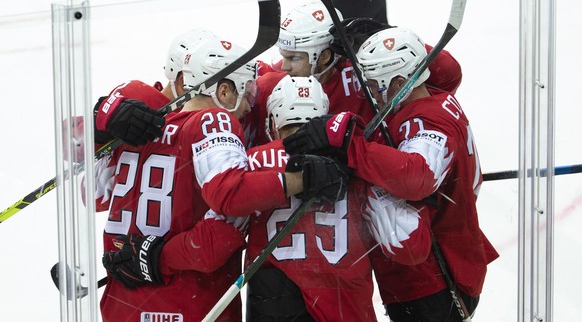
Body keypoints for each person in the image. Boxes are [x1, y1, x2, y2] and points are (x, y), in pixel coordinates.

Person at [97, 30, 347, 321]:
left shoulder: (133, 125)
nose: (249, 105)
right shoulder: (213, 120)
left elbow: (95, 192)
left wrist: (99, 116)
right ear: (224, 91)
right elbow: (225, 210)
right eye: (246, 92)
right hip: (188, 303)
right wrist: (299, 179)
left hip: (123, 301)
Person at [283, 27, 499, 321]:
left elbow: (416, 177)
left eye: (373, 85)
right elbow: (444, 68)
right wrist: (385, 35)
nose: (368, 94)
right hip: (431, 270)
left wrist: (349, 143)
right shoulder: (435, 95)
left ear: (399, 82)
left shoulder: (426, 123)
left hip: (433, 279)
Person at [245, 75, 432, 321]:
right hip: (344, 302)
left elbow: (222, 223)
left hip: (274, 300)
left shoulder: (253, 161)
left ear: (272, 121)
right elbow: (411, 247)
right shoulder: (355, 163)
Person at [245, 1, 463, 149]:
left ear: (324, 56)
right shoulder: (275, 83)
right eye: (284, 56)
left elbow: (450, 75)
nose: (283, 66)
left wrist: (389, 38)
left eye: (293, 58)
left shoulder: (368, 70)